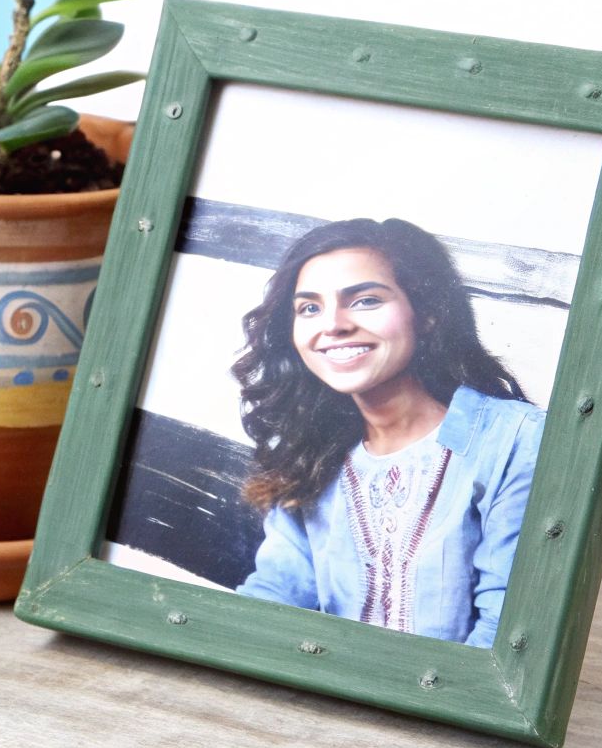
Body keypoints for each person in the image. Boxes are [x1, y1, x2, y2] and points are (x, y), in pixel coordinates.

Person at [231, 218, 543, 648]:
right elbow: (274, 599)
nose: (333, 325)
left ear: (428, 313)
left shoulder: (515, 440)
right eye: (309, 308)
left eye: (365, 300)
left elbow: (504, 634)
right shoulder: (308, 453)